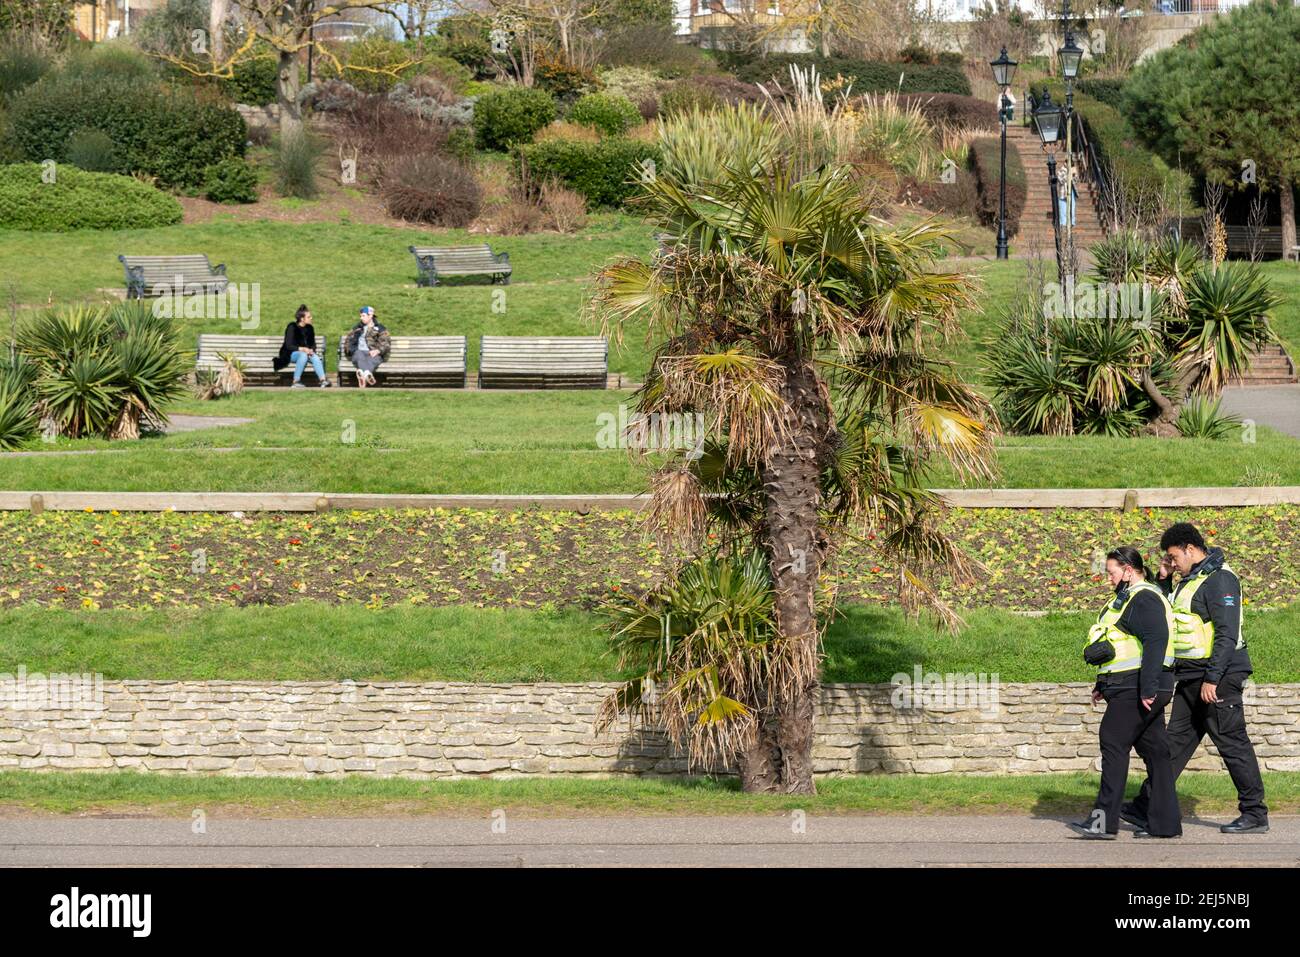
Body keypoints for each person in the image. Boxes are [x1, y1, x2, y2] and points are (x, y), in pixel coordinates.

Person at [1124, 523, 1269, 834]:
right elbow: (1168, 616)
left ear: (1190, 549)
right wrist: (1163, 578)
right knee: (1171, 746)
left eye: (1174, 556)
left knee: (1232, 743)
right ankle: (1145, 806)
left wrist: (1213, 678)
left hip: (1219, 676)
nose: (1171, 562)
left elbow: (1227, 634)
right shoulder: (1188, 581)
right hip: (1191, 676)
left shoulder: (1220, 580)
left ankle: (1255, 813)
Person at [1069, 546, 1181, 840]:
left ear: (1128, 571)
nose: (1108, 579)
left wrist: (1148, 687)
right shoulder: (1130, 598)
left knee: (1113, 741)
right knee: (1155, 750)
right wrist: (1101, 684)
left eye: (1112, 573)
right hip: (1131, 685)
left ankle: (1103, 823)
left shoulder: (1143, 598)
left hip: (1138, 686)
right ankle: (1165, 825)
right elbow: (1119, 646)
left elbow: (1157, 640)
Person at [274, 304, 331, 388]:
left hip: (305, 353)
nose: (311, 318)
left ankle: (323, 380)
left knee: (314, 356)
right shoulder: (292, 327)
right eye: (309, 317)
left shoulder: (310, 328)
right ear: (302, 319)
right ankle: (295, 381)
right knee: (303, 354)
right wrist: (302, 349)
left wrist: (311, 350)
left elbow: (313, 344)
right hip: (290, 353)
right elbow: (288, 345)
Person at [344, 306, 391, 389]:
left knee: (373, 359)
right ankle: (368, 374)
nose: (361, 318)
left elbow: (386, 343)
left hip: (373, 353)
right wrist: (351, 350)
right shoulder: (357, 328)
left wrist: (378, 350)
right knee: (359, 355)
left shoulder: (380, 328)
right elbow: (348, 341)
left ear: (370, 316)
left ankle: (362, 375)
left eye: (363, 315)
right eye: (360, 316)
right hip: (358, 352)